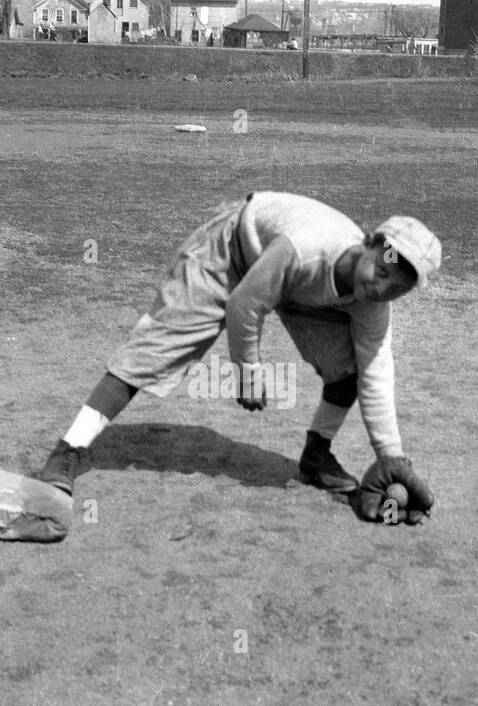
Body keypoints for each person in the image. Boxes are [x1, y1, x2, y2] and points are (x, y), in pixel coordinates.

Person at [35, 191, 441, 524]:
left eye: (396, 289)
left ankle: (317, 456)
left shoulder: (371, 303)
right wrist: (248, 372)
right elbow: (244, 304)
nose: (381, 288)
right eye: (383, 271)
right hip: (233, 250)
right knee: (157, 347)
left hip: (301, 288)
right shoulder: (308, 247)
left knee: (352, 367)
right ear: (369, 243)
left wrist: (391, 459)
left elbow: (376, 375)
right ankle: (67, 451)